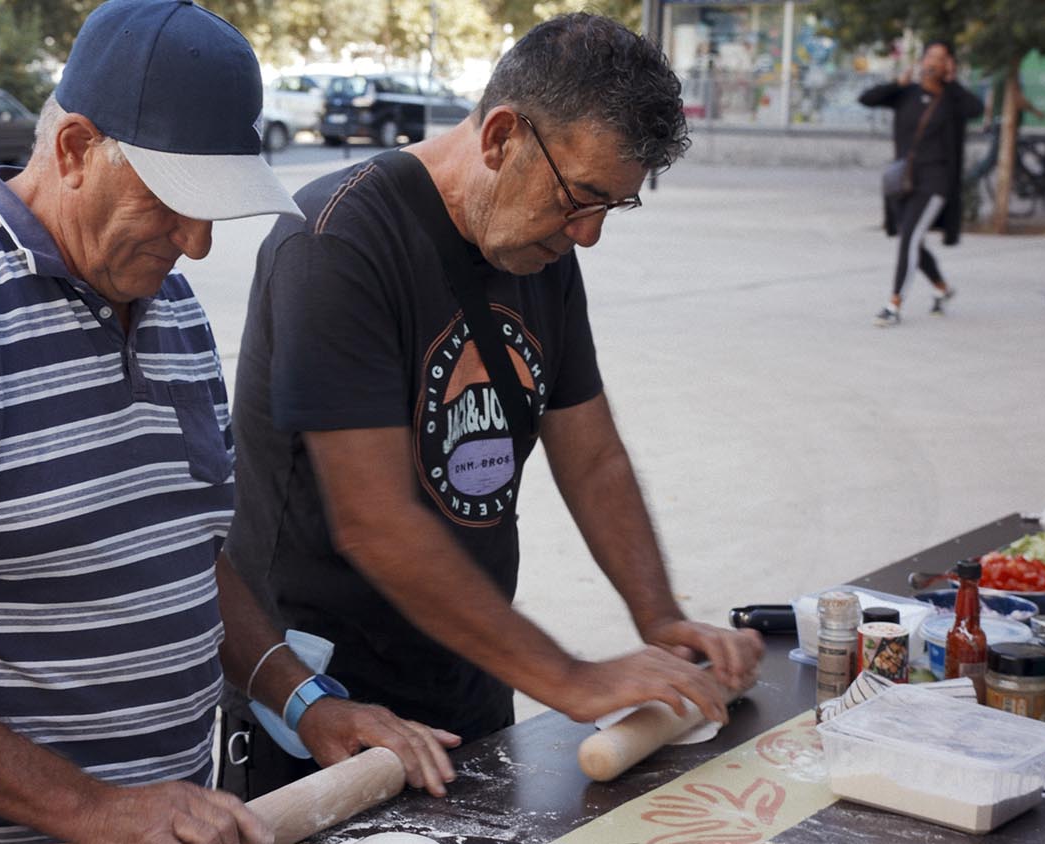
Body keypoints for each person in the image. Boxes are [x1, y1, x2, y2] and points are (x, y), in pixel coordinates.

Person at [0, 2, 456, 842]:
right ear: (75, 149)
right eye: (175, 200)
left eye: (216, 208)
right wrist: (89, 806)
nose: (197, 243)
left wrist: (303, 700)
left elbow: (183, 553)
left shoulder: (170, 305)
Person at [219, 13, 764, 798]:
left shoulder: (540, 247)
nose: (588, 235)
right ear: (502, 136)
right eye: (581, 197)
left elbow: (593, 456)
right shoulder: (337, 242)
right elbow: (375, 521)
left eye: (613, 206)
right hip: (330, 711)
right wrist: (570, 678)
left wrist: (659, 617)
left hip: (474, 672)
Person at [860, 40, 984, 327]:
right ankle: (942, 288)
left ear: (948, 64)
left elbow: (976, 109)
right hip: (904, 180)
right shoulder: (906, 94)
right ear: (922, 60)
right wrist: (897, 83)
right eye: (930, 56)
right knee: (910, 238)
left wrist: (952, 82)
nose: (934, 63)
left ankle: (894, 305)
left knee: (910, 238)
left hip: (936, 180)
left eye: (941, 58)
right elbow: (867, 98)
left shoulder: (952, 100)